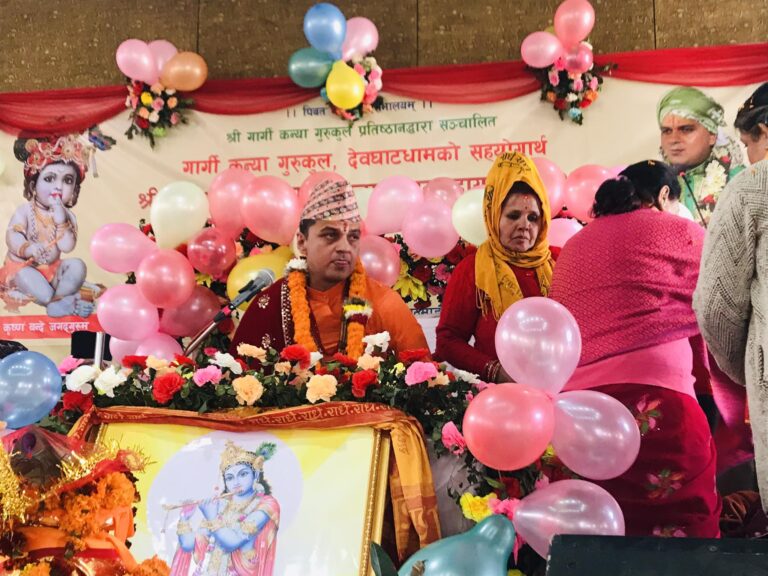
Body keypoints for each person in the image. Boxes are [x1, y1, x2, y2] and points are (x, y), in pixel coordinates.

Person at [549, 160, 721, 537]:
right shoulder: (680, 231)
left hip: (578, 416)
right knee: (685, 527)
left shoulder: (575, 245)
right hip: (660, 404)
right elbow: (725, 300)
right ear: (664, 195)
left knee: (597, 533)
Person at [229, 177, 429, 359]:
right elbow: (238, 376)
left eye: (353, 237)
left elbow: (424, 373)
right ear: (302, 242)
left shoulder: (382, 301)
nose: (344, 247)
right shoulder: (273, 302)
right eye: (330, 235)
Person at [694, 82, 768, 514]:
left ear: (764, 131)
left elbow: (716, 307)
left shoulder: (751, 188)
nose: (749, 157)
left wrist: (748, 368)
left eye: (747, 144)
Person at [435, 151, 559, 382]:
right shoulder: (473, 268)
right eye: (513, 215)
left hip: (561, 385)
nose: (524, 225)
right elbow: (448, 340)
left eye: (533, 217)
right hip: (499, 394)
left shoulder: (560, 261)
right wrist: (494, 371)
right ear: (493, 216)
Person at [0, 135, 101, 317]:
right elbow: (12, 236)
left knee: (77, 265)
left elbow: (67, 246)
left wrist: (61, 220)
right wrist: (29, 248)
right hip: (22, 269)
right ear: (33, 186)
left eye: (67, 180)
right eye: (49, 179)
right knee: (25, 275)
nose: (58, 187)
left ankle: (60, 300)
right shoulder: (25, 211)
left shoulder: (68, 216)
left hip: (52, 271)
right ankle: (58, 302)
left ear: (74, 192)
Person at [170, 440, 280, 576]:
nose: (236, 482)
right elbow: (189, 544)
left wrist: (212, 517)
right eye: (230, 478)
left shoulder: (266, 504)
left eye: (243, 474)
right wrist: (185, 518)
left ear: (256, 475)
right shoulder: (221, 505)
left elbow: (233, 542)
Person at [657, 86, 745, 226]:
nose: (673, 139)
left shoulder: (741, 181)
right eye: (667, 131)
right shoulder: (651, 184)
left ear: (712, 135)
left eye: (686, 129)